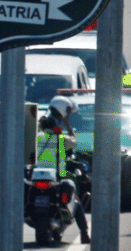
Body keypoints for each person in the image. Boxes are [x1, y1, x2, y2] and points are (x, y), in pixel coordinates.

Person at [36, 95, 91, 244]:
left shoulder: (37, 137)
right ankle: (84, 232)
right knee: (76, 199)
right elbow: (74, 141)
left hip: (35, 175)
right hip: (58, 175)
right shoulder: (61, 140)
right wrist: (68, 125)